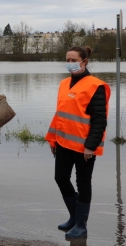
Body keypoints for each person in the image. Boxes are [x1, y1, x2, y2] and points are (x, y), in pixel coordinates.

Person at [45, 46, 109, 239]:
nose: (70, 63)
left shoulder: (95, 85)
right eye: (68, 59)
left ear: (84, 61)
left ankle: (81, 225)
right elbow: (60, 115)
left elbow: (100, 119)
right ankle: (74, 217)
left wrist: (91, 145)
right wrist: (53, 138)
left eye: (74, 60)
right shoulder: (64, 83)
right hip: (63, 142)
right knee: (61, 178)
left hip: (84, 147)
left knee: (83, 183)